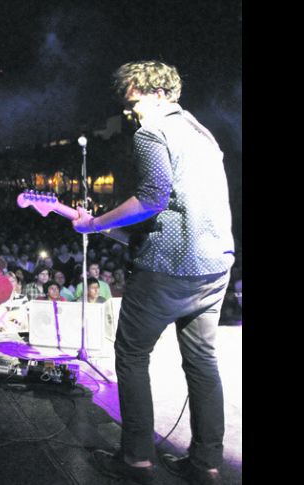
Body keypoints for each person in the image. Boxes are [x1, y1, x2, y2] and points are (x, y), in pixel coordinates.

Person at [72, 60, 234, 484]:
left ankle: (137, 460)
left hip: (168, 269)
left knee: (130, 355)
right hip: (215, 266)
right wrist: (115, 230)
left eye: (136, 104)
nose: (132, 114)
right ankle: (206, 464)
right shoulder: (201, 131)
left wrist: (94, 223)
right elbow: (180, 205)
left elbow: (153, 198)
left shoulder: (153, 132)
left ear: (159, 95)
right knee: (203, 362)